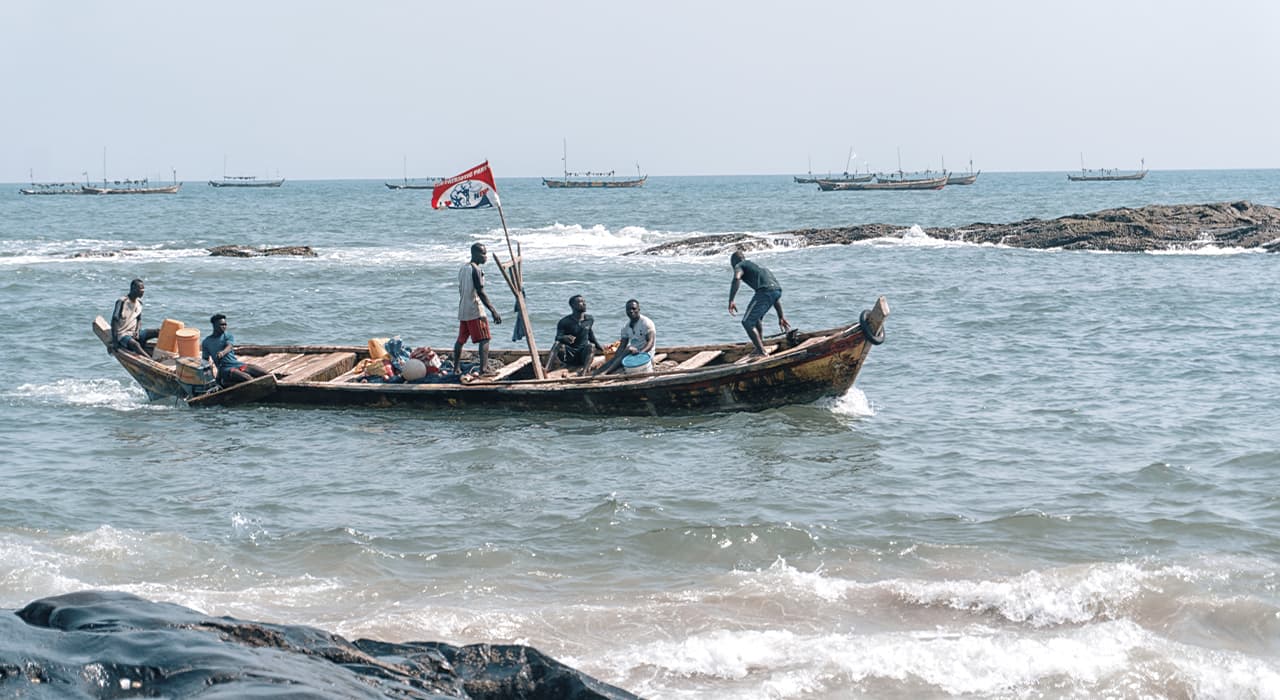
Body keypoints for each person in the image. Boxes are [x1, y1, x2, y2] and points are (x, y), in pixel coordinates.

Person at [452, 242, 502, 376]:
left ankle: (456, 368)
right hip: (475, 309)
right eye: (483, 254)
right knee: (485, 339)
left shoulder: (463, 268)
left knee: (461, 339)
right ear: (475, 254)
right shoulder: (476, 270)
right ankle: (484, 369)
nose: (485, 257)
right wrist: (493, 311)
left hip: (463, 309)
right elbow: (480, 291)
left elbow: (461, 289)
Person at [727, 250, 790, 357]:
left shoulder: (739, 265)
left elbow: (736, 278)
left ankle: (762, 352)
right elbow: (774, 293)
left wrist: (731, 300)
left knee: (747, 322)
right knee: (755, 319)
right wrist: (781, 316)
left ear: (734, 262)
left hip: (764, 291)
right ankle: (759, 347)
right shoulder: (759, 267)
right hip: (777, 290)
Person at [201, 314, 271, 387]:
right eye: (222, 325)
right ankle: (225, 382)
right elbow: (205, 361)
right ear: (214, 325)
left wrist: (222, 353)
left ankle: (227, 382)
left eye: (225, 324)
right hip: (225, 369)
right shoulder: (206, 342)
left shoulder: (228, 335)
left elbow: (229, 346)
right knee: (249, 379)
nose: (224, 327)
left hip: (237, 365)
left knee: (265, 374)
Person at [596, 298, 657, 375]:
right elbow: (622, 346)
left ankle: (607, 372)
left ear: (639, 309)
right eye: (628, 309)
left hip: (645, 355)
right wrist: (615, 358)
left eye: (634, 309)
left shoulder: (646, 323)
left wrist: (640, 353)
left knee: (629, 349)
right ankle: (596, 373)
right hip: (632, 354)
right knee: (616, 357)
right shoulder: (626, 327)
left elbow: (650, 343)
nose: (631, 311)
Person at [546, 294, 604, 376]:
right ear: (572, 306)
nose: (584, 304)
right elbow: (557, 338)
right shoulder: (564, 322)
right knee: (557, 344)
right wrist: (564, 338)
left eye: (584, 301)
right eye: (580, 302)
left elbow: (590, 335)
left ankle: (584, 372)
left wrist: (601, 349)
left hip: (582, 355)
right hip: (570, 355)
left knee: (591, 346)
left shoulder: (589, 319)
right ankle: (547, 369)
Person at [109, 278, 159, 356]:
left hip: (134, 333)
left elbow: (139, 319)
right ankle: (150, 360)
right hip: (122, 334)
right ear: (133, 289)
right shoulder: (122, 302)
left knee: (158, 332)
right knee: (136, 345)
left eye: (143, 288)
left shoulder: (139, 303)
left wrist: (137, 330)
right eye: (140, 289)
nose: (143, 291)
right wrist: (115, 342)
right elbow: (114, 322)